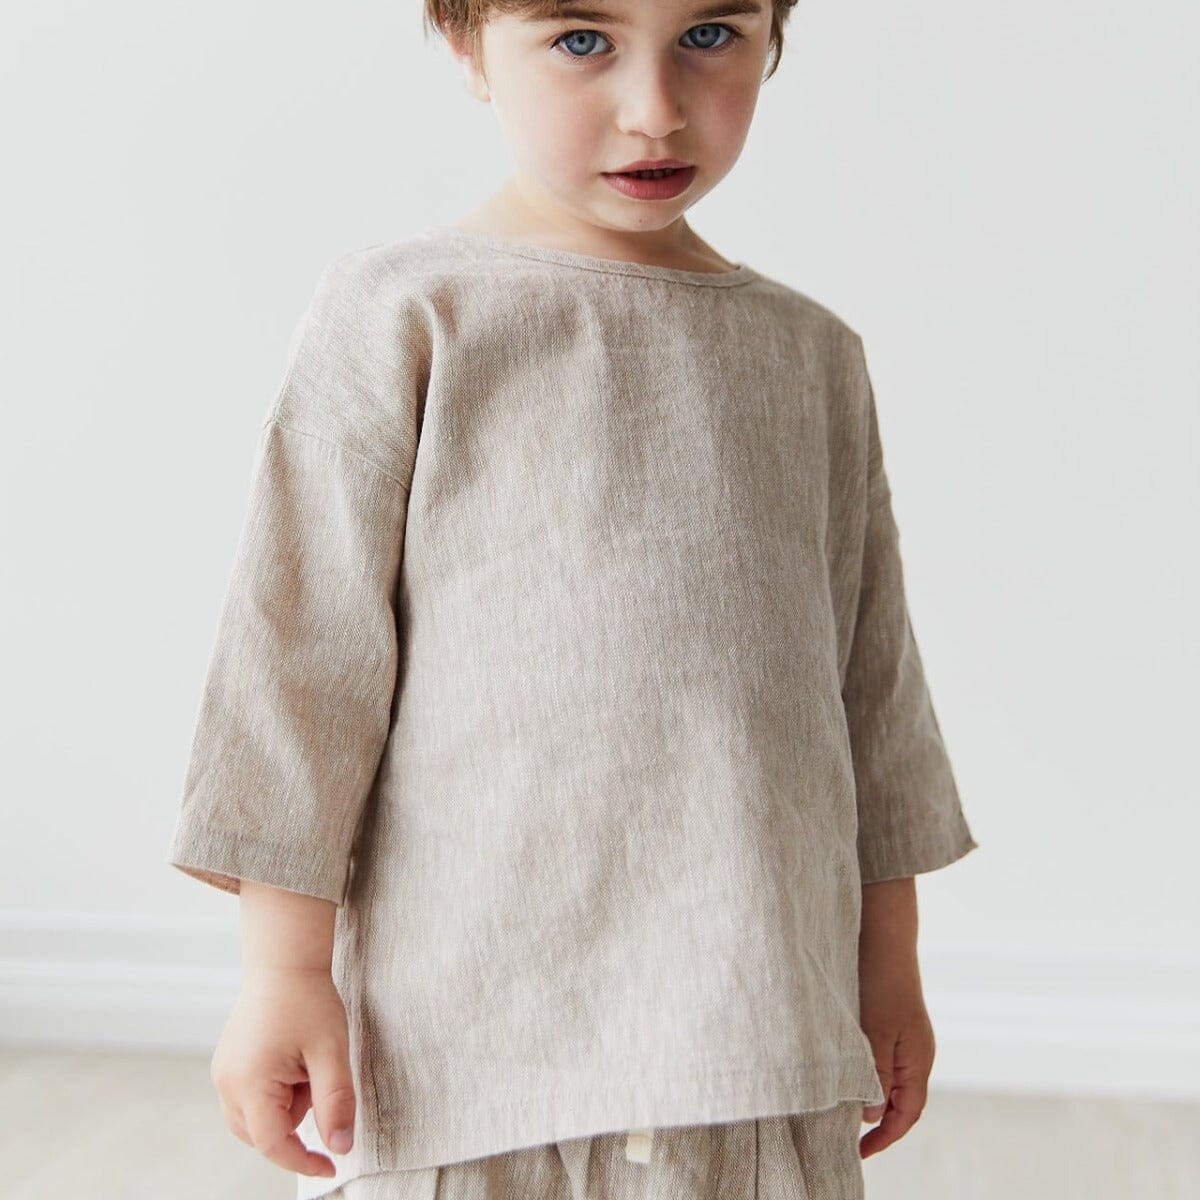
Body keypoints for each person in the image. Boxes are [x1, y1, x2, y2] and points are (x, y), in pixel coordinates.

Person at [166, 2, 980, 1198]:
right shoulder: (405, 312)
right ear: (466, 47)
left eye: (711, 35)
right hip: (464, 1047)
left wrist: (888, 963)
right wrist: (283, 973)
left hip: (758, 1033)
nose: (655, 109)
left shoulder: (811, 354)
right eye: (583, 40)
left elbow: (871, 686)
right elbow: (301, 664)